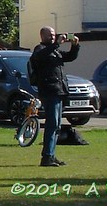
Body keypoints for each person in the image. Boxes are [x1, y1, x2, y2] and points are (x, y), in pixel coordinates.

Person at [29, 26, 79, 167]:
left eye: (53, 34)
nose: (52, 37)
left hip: (59, 91)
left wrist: (75, 46)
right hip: (49, 92)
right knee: (51, 125)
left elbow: (70, 57)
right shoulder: (40, 49)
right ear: (42, 36)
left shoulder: (55, 51)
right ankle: (47, 157)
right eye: (49, 35)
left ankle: (51, 154)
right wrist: (57, 43)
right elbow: (41, 56)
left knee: (56, 125)